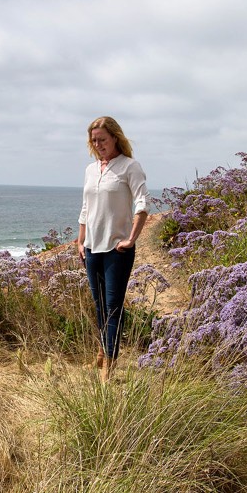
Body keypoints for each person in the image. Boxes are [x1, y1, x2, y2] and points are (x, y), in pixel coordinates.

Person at [77, 116, 148, 382]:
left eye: (102, 140)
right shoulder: (90, 169)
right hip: (91, 248)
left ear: (115, 138)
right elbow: (86, 208)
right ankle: (101, 353)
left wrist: (130, 239)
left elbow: (142, 204)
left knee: (113, 308)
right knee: (99, 307)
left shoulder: (130, 167)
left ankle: (110, 364)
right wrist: (80, 240)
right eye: (94, 140)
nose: (98, 145)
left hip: (116, 250)